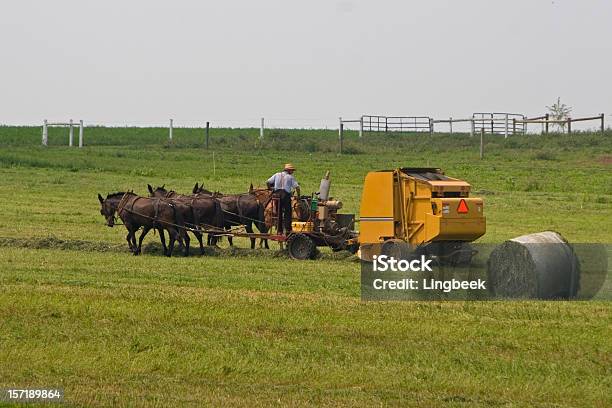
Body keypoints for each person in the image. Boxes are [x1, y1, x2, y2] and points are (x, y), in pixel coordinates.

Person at [266, 163, 301, 234]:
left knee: (279, 213)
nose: (292, 172)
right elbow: (297, 187)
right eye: (292, 170)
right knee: (288, 212)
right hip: (285, 195)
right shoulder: (290, 177)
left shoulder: (277, 174)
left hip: (276, 195)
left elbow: (268, 182)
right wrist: (299, 195)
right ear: (288, 170)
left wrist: (270, 189)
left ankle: (279, 230)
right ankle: (288, 229)